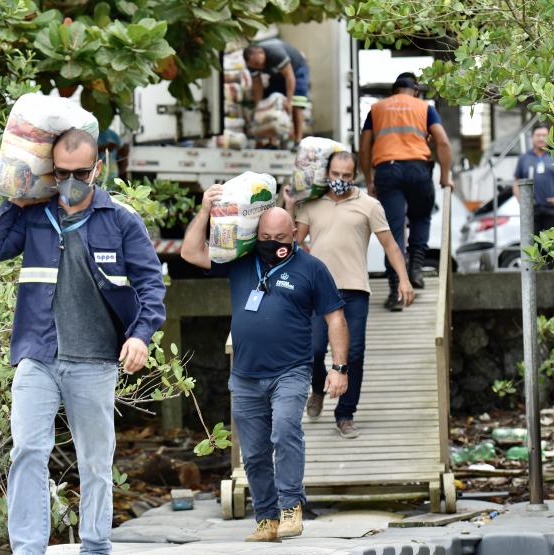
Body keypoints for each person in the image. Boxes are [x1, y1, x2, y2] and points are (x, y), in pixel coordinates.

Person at [0, 128, 166, 555]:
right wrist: (15, 201)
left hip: (94, 360)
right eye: (62, 172)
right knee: (27, 450)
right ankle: (28, 549)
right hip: (37, 356)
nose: (72, 180)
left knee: (95, 460)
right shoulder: (33, 216)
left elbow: (152, 285)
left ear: (97, 168)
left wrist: (140, 336)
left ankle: (95, 545)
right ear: (51, 171)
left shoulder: (120, 218)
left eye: (81, 172)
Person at [181, 199, 349, 542]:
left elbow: (336, 318)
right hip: (244, 374)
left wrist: (339, 368)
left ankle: (291, 508)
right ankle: (267, 518)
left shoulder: (312, 268)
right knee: (254, 453)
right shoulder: (241, 262)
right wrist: (203, 211)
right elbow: (189, 252)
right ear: (256, 234)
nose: (273, 243)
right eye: (266, 236)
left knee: (285, 432)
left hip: (291, 370)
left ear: (294, 235)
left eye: (280, 237)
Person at [283, 151, 414, 438]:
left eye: (346, 175)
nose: (340, 180)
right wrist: (290, 206)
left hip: (354, 289)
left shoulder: (369, 205)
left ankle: (345, 414)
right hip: (317, 290)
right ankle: (317, 389)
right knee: (314, 349)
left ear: (354, 175)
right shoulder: (312, 205)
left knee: (354, 354)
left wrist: (403, 280)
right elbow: (292, 242)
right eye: (335, 174)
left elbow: (391, 245)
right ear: (326, 174)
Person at [359, 72, 453, 310]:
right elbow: (442, 141)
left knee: (392, 231)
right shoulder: (424, 108)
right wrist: (445, 177)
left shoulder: (377, 109)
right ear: (416, 91)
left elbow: (364, 146)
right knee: (421, 215)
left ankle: (395, 292)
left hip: (387, 172)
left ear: (394, 91)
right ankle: (416, 268)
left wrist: (370, 179)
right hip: (417, 169)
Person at [244, 39, 310, 142]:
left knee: (296, 104)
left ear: (262, 53)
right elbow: (257, 84)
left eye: (259, 63)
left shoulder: (276, 53)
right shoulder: (251, 64)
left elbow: (289, 76)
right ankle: (273, 142)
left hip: (296, 71)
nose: (259, 67)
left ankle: (298, 140)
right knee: (271, 100)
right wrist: (259, 106)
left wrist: (289, 101)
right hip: (277, 75)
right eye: (255, 66)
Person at [512, 122, 554, 238]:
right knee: (534, 247)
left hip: (553, 210)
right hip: (532, 212)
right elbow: (516, 182)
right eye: (538, 135)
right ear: (532, 137)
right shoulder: (524, 158)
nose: (541, 138)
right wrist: (522, 202)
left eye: (544, 135)